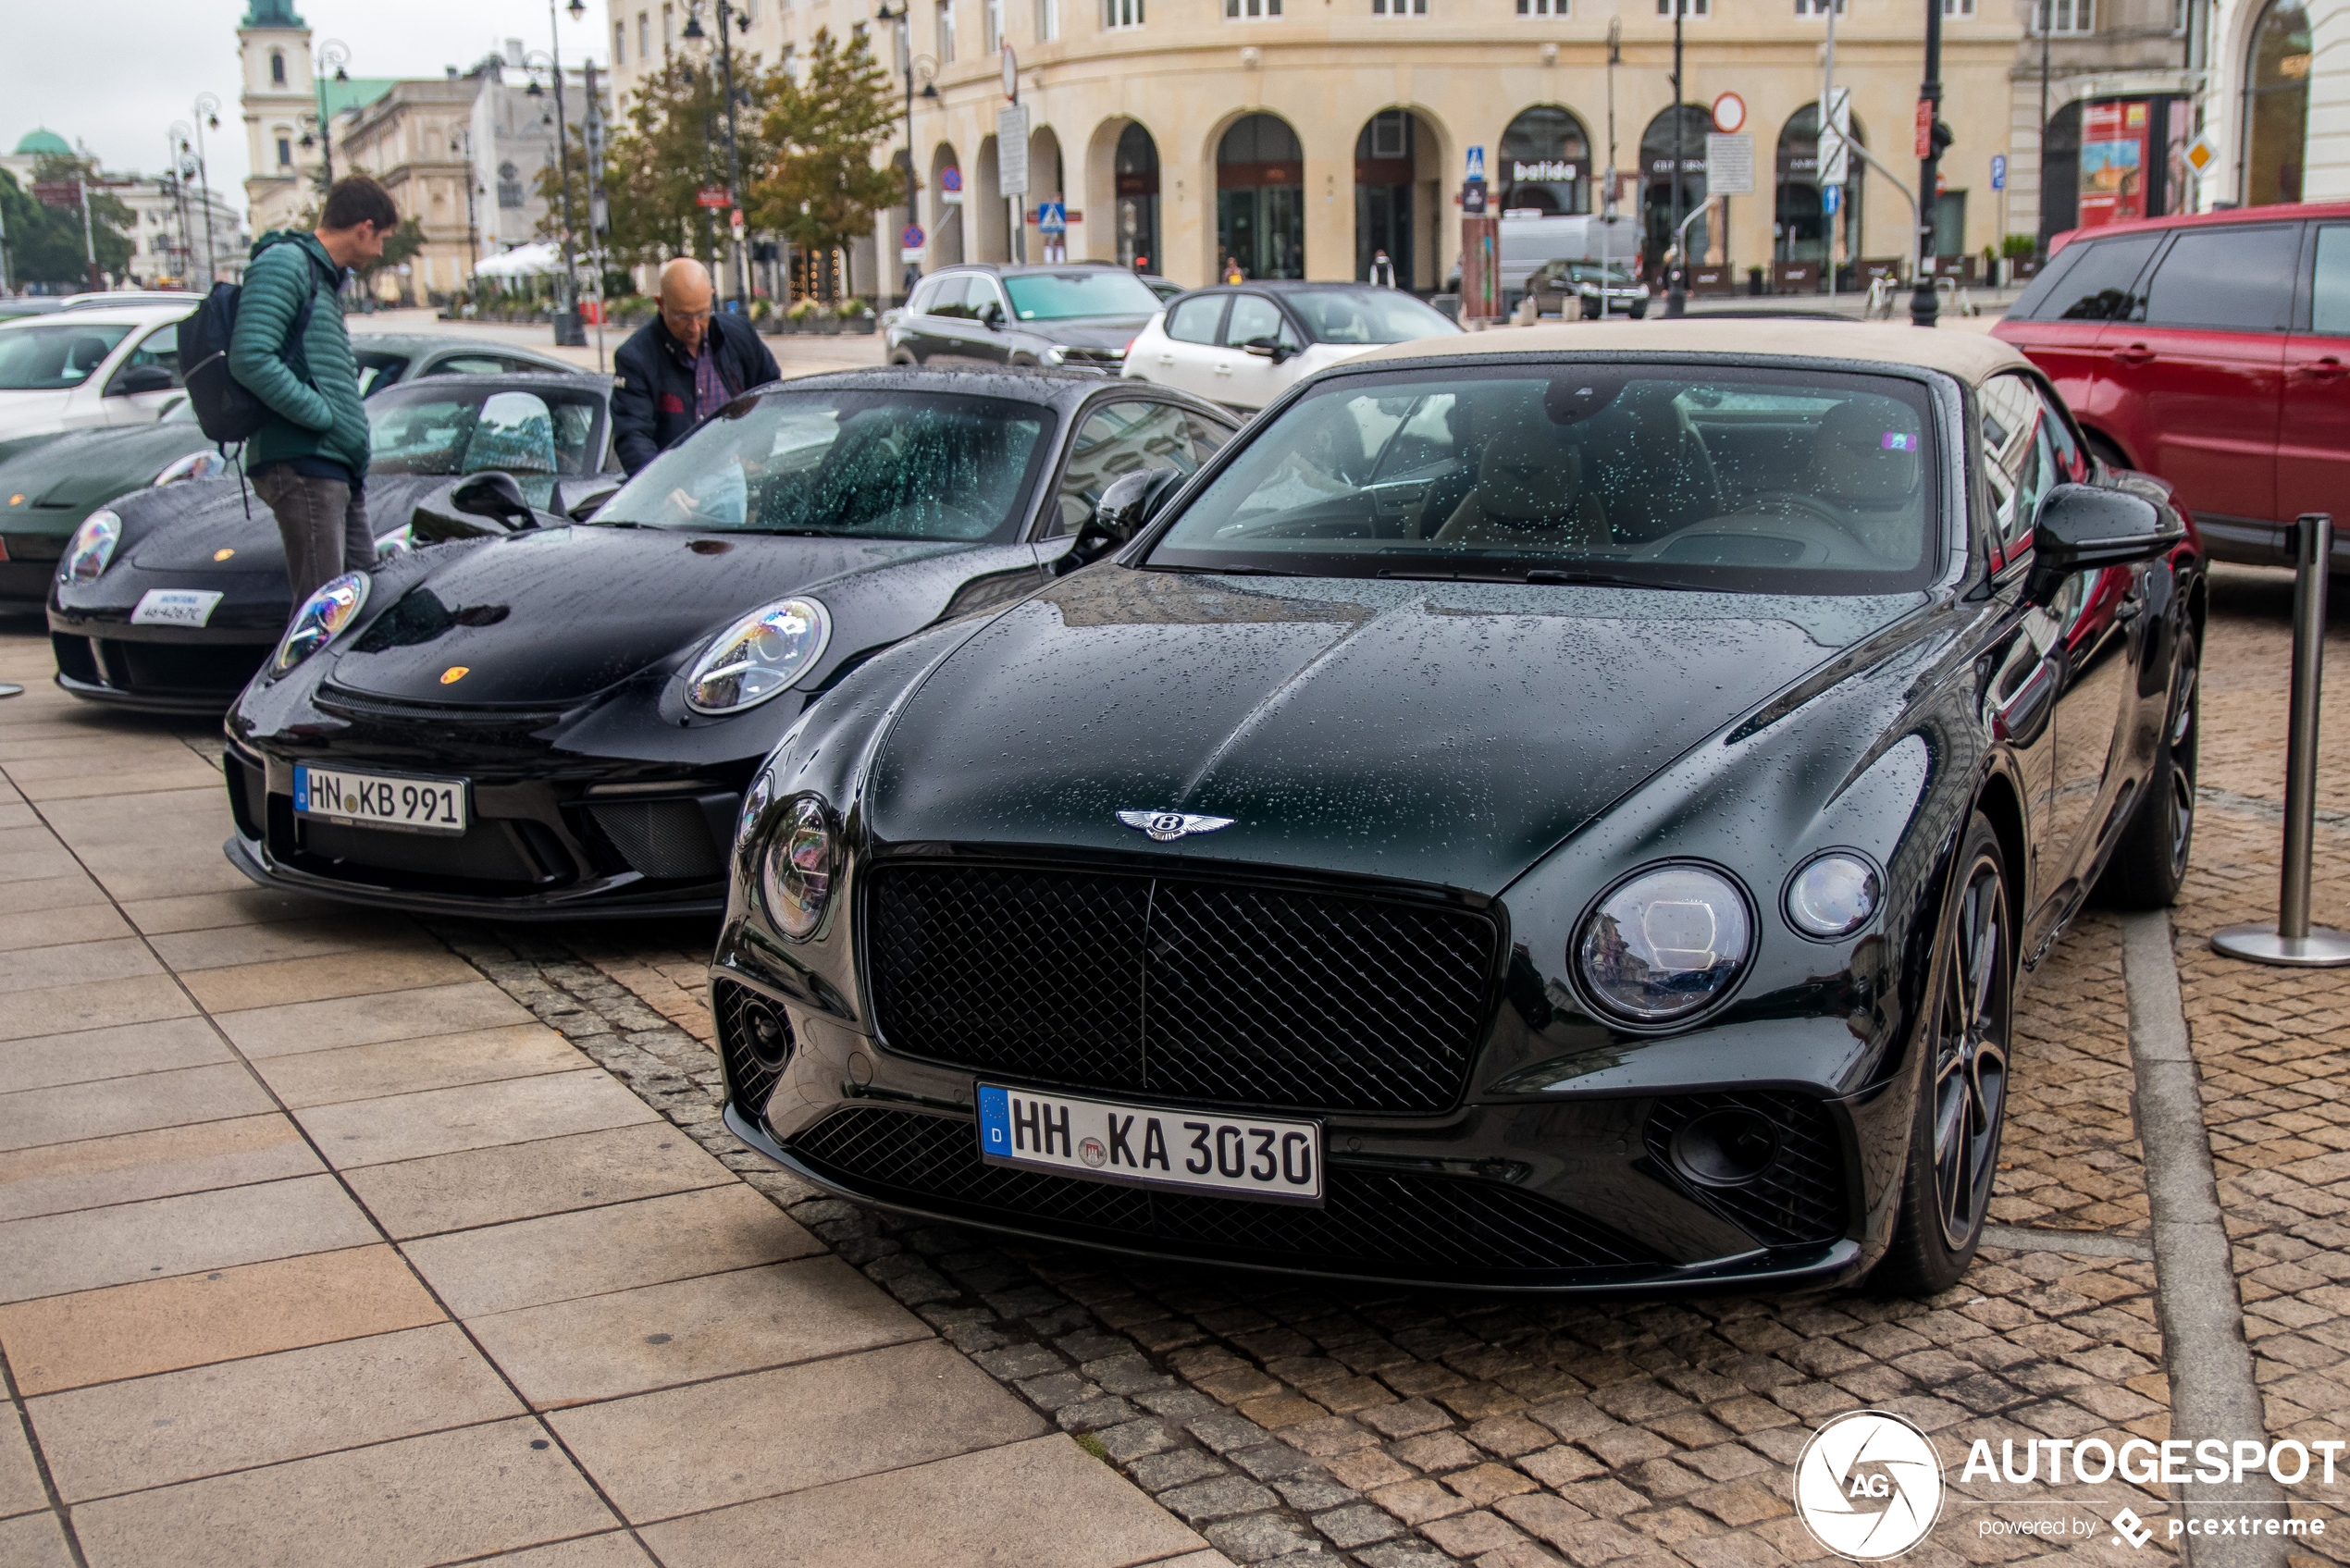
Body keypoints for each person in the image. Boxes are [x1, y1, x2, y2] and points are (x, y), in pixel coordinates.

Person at [230, 175, 393, 605]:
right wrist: (321, 415)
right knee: (322, 614)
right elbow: (250, 357)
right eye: (383, 238)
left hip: (334, 463)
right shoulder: (286, 264)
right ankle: (304, 677)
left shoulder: (321, 277)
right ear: (364, 227)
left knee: (360, 606)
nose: (381, 251)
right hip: (305, 461)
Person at [612, 256, 782, 475]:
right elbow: (633, 434)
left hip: (734, 473)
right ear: (661, 304)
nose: (694, 327)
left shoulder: (738, 335)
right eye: (682, 317)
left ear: (711, 298)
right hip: (672, 482)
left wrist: (758, 450)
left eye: (702, 314)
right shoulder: (636, 358)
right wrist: (659, 486)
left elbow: (770, 392)